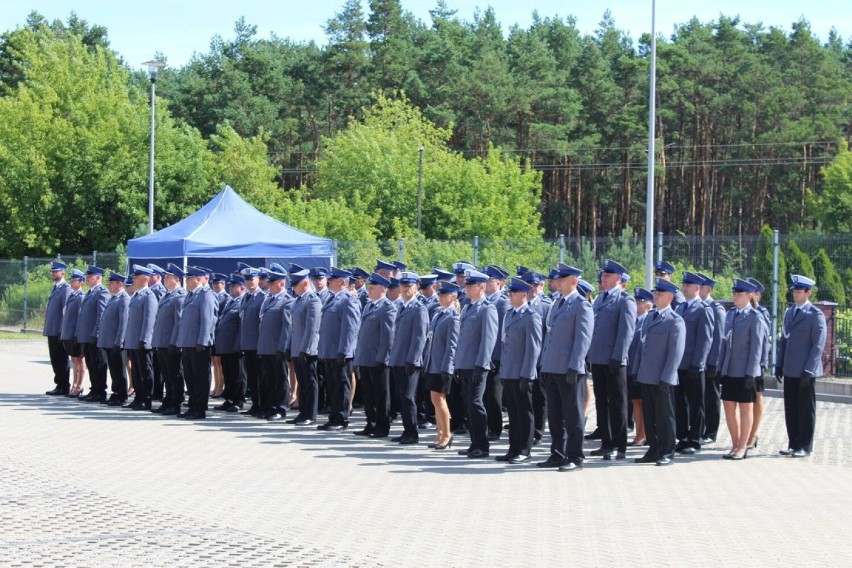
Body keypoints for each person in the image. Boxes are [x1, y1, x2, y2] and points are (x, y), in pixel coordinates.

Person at [536, 264, 593, 471]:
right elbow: (549, 336)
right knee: (554, 414)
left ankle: (575, 456)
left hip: (570, 370)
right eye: (557, 279)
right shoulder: (558, 303)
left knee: (573, 415)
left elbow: (582, 339)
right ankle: (558, 453)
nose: (557, 282)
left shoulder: (581, 305)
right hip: (552, 367)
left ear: (574, 281)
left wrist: (575, 366)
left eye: (562, 279)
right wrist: (544, 364)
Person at [633, 279, 686, 466]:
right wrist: (637, 370)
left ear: (670, 297)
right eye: (655, 293)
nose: (655, 296)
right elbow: (642, 345)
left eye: (660, 294)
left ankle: (667, 451)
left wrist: (668, 376)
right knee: (650, 415)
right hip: (647, 375)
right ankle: (653, 449)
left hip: (663, 377)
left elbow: (675, 352)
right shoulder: (650, 317)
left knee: (665, 416)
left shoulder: (675, 320)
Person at [587, 259, 636, 461]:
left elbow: (626, 331)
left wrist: (619, 355)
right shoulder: (599, 299)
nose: (603, 279)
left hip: (614, 360)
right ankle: (606, 442)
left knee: (617, 403)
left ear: (618, 278)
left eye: (607, 276)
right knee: (602, 402)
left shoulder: (625, 300)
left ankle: (619, 445)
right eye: (603, 275)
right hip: (598, 359)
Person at [776, 275, 827, 458]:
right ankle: (793, 443)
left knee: (805, 409)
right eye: (794, 292)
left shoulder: (815, 315)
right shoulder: (790, 312)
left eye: (799, 292)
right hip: (790, 368)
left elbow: (818, 345)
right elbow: (784, 340)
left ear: (808, 293)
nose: (795, 295)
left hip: (805, 370)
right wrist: (779, 364)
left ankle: (804, 445)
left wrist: (809, 369)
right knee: (791, 408)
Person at [495, 277, 542, 464]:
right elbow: (505, 344)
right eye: (509, 292)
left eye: (513, 293)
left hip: (522, 372)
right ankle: (513, 448)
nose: (510, 295)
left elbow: (533, 348)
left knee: (525, 412)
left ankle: (524, 449)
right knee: (513, 414)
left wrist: (528, 373)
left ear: (524, 294)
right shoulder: (510, 314)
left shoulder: (531, 316)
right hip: (509, 371)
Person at [717, 279, 765, 460]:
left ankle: (743, 446)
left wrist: (751, 373)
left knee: (745, 409)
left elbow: (756, 348)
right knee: (728, 407)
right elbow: (724, 343)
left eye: (739, 293)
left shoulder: (755, 317)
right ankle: (735, 443)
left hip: (745, 370)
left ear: (749, 295)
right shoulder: (731, 315)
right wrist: (721, 368)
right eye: (735, 293)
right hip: (730, 369)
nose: (735, 296)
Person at [454, 269, 499, 459]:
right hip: (465, 363)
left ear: (481, 287)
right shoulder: (467, 307)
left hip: (477, 365)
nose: (466, 288)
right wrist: (457, 364)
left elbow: (488, 340)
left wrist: (481, 365)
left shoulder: (487, 309)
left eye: (470, 285)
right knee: (468, 404)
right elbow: (462, 339)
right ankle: (474, 443)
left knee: (476, 403)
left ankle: (482, 445)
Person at [674, 271, 714, 455]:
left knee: (696, 403)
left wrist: (698, 363)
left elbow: (705, 340)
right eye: (684, 285)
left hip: (694, 365)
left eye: (688, 285)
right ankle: (682, 437)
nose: (684, 288)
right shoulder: (680, 308)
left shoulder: (704, 309)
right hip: (679, 364)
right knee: (680, 403)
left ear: (697, 288)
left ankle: (695, 439)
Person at [353, 273, 398, 438]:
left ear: (383, 289)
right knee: (369, 394)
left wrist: (383, 357)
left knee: (381, 394)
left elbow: (388, 336)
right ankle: (370, 423)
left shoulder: (388, 307)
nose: (369, 290)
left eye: (373, 288)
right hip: (365, 358)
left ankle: (382, 426)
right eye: (369, 287)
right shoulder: (369, 306)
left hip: (378, 359)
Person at [317, 267, 361, 430]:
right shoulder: (332, 299)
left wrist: (345, 350)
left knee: (342, 385)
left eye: (332, 279)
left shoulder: (349, 300)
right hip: (330, 351)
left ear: (342, 282)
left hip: (340, 352)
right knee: (332, 385)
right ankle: (333, 416)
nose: (329, 282)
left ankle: (342, 418)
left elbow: (350, 328)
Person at [388, 271, 429, 444]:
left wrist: (413, 359)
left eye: (409, 286)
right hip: (398, 359)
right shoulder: (401, 306)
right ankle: (407, 430)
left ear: (417, 287)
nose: (405, 289)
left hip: (409, 361)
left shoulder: (419, 308)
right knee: (401, 397)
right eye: (403, 286)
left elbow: (419, 337)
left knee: (408, 397)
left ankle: (412, 433)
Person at [175, 266, 218, 419]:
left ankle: (200, 408)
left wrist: (203, 341)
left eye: (189, 278)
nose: (186, 281)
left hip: (199, 344)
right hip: (188, 343)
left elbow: (208, 320)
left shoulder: (206, 296)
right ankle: (193, 405)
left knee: (200, 377)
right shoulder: (190, 295)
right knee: (190, 376)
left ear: (198, 279)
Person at [423, 282, 460, 449]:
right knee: (434, 399)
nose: (440, 298)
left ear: (453, 297)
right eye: (440, 295)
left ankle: (447, 434)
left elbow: (452, 344)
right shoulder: (439, 314)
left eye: (444, 295)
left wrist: (448, 367)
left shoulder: (453, 317)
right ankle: (439, 432)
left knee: (440, 400)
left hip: (442, 365)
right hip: (433, 363)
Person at [257, 270, 294, 421]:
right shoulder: (269, 300)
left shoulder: (287, 301)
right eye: (269, 282)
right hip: (266, 347)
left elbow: (287, 327)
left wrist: (283, 348)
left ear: (282, 284)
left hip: (277, 348)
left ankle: (281, 408)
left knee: (280, 379)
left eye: (273, 283)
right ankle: (270, 407)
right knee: (269, 379)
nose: (269, 285)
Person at [151, 263, 187, 415]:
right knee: (166, 374)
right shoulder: (167, 295)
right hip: (162, 341)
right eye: (165, 277)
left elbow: (178, 322)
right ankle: (168, 400)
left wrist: (174, 342)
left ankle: (176, 401)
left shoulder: (180, 296)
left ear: (177, 279)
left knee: (174, 373)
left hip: (171, 342)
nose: (165, 280)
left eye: (168, 277)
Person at [695, 272, 727, 445]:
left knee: (711, 396)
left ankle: (711, 431)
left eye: (702, 287)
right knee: (699, 397)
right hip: (698, 361)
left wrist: (713, 361)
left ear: (709, 289)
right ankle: (699, 429)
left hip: (710, 362)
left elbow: (718, 337)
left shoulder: (716, 308)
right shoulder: (696, 307)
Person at [288, 268, 322, 426]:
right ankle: (303, 412)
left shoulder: (313, 300)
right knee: (302, 383)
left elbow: (312, 328)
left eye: (296, 284)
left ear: (305, 283)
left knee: (310, 382)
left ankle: (311, 414)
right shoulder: (298, 300)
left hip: (307, 350)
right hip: (297, 348)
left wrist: (306, 349)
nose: (293, 288)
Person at [522, 270, 552, 445]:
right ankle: (526, 429)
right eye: (530, 285)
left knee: (539, 397)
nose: (533, 288)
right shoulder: (518, 306)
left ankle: (538, 431)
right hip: (523, 359)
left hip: (540, 359)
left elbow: (548, 335)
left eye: (536, 285)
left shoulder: (546, 306)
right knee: (525, 396)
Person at [123, 265, 158, 410]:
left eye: (136, 277)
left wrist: (144, 339)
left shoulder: (149, 296)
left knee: (145, 371)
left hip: (142, 341)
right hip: (133, 340)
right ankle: (138, 397)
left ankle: (146, 399)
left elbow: (149, 320)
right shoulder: (136, 295)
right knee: (136, 371)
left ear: (145, 278)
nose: (133, 279)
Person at [482, 265, 510, 442]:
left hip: (496, 356)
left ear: (499, 283)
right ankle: (486, 425)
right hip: (484, 355)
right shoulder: (484, 301)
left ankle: (495, 428)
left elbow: (501, 332)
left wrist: (495, 356)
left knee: (494, 395)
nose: (486, 283)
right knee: (484, 394)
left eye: (490, 280)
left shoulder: (502, 302)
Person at [76, 266, 110, 402]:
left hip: (96, 336)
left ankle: (100, 391)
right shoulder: (90, 292)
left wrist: (96, 333)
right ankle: (94, 389)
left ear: (98, 277)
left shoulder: (102, 292)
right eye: (87, 276)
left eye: (90, 276)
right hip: (87, 335)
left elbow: (101, 315)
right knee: (91, 363)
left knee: (99, 363)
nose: (87, 279)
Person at [214, 274, 246, 413]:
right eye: (230, 286)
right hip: (226, 346)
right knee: (228, 373)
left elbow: (242, 326)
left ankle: (238, 401)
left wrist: (239, 344)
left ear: (242, 288)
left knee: (238, 374)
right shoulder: (231, 301)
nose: (231, 289)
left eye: (234, 287)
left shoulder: (242, 302)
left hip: (235, 345)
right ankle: (229, 398)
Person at [745, 277, 771, 450]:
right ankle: (746, 434)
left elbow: (764, 339)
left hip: (757, 362)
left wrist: (763, 361)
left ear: (757, 295)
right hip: (741, 363)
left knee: (757, 397)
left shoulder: (761, 313)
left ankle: (753, 434)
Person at [97, 271, 130, 406]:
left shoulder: (124, 298)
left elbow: (124, 322)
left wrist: (120, 340)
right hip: (110, 341)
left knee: (119, 369)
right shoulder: (114, 297)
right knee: (114, 369)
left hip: (117, 341)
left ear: (119, 284)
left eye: (111, 283)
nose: (109, 285)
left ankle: (121, 395)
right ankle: (116, 392)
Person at [627, 287, 654, 446]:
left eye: (640, 302)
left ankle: (644, 434)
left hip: (642, 369)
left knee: (643, 403)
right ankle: (639, 433)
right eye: (635, 301)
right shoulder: (633, 320)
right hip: (631, 367)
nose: (637, 305)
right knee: (635, 402)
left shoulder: (648, 320)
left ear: (648, 305)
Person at [239, 267, 264, 417]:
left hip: (257, 344)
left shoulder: (262, 297)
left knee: (260, 377)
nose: (249, 282)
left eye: (252, 279)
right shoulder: (246, 297)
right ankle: (255, 404)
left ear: (258, 280)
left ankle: (261, 404)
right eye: (247, 280)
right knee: (252, 377)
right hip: (248, 344)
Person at [44, 261, 71, 395]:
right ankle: (59, 384)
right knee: (55, 358)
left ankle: (64, 385)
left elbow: (65, 311)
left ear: (63, 273)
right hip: (52, 329)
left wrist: (62, 330)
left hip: (59, 330)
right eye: (53, 271)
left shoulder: (66, 288)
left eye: (56, 271)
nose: (53, 274)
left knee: (61, 358)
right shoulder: (55, 287)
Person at [60, 269, 86, 397]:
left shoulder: (81, 297)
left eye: (74, 280)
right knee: (74, 360)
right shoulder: (72, 295)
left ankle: (79, 385)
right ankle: (74, 384)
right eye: (71, 280)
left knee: (79, 360)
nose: (71, 282)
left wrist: (77, 334)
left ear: (81, 282)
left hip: (75, 334)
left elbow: (81, 317)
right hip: (69, 333)